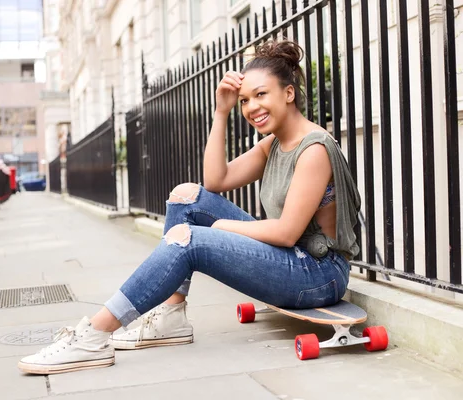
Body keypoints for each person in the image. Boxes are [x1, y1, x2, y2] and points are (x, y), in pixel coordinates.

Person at [18, 39, 361, 375]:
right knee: (186, 197)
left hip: (317, 275)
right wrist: (221, 111)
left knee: (188, 239)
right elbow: (215, 181)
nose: (252, 107)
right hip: (289, 258)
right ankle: (171, 318)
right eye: (245, 100)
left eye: (261, 94)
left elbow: (286, 234)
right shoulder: (273, 143)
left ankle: (94, 334)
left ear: (288, 93)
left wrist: (217, 229)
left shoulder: (313, 149)